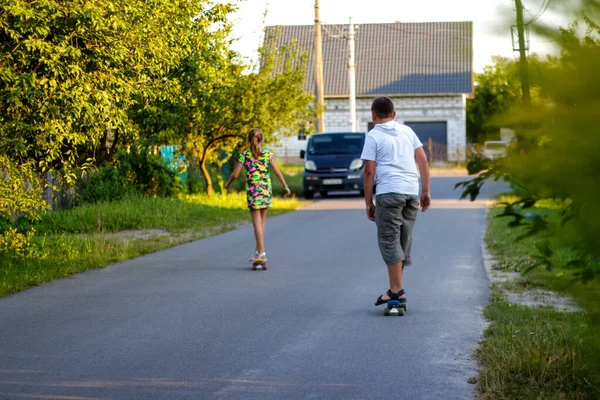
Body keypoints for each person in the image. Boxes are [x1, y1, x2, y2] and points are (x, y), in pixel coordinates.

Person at [360, 96, 431, 308]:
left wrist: (368, 202)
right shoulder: (407, 131)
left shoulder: (373, 136)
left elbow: (369, 171)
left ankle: (396, 292)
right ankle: (394, 289)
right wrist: (425, 191)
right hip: (411, 193)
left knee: (390, 241)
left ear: (373, 116)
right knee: (403, 240)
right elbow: (423, 161)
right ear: (394, 114)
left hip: (389, 193)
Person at [225, 128, 291, 262]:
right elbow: (278, 172)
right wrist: (285, 186)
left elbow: (235, 174)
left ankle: (262, 253)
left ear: (249, 139)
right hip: (266, 190)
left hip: (253, 191)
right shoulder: (267, 154)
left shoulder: (244, 155)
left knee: (256, 223)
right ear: (262, 140)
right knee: (262, 222)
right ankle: (257, 252)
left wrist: (228, 184)